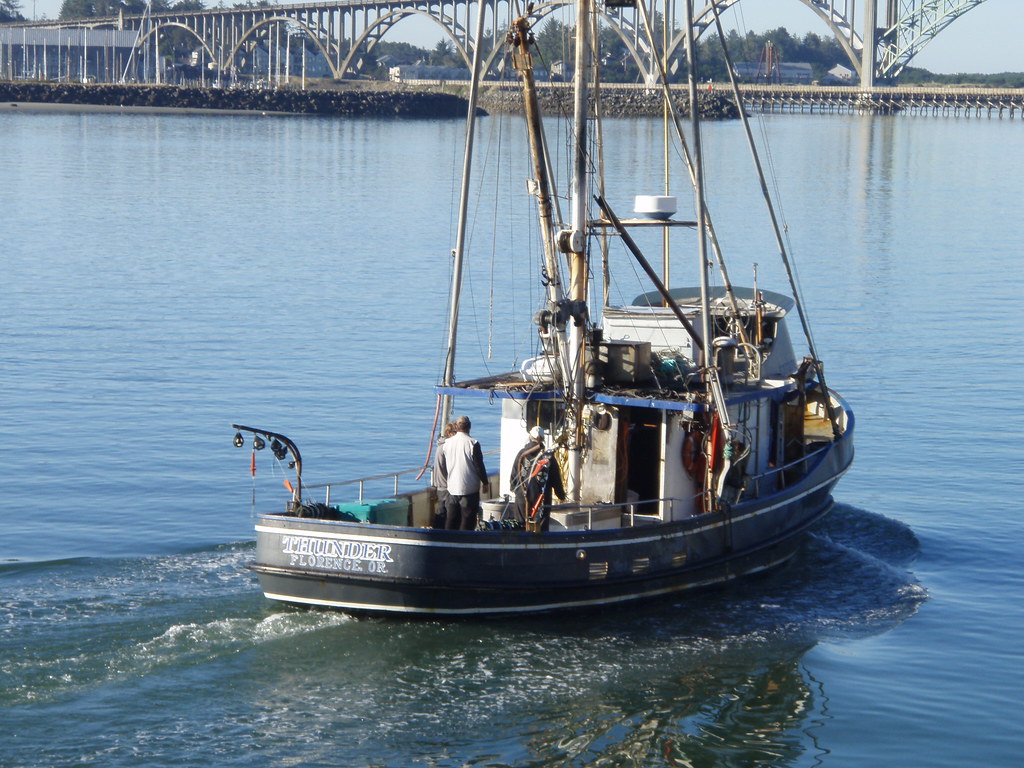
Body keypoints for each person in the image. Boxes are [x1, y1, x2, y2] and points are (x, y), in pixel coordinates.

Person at [438, 415, 490, 531]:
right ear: (469, 427)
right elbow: (479, 466)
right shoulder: (473, 443)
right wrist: (485, 483)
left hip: (452, 488)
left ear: (456, 427)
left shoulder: (447, 444)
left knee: (451, 520)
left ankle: (448, 541)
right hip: (469, 489)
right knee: (467, 520)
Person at [510, 426, 564, 531]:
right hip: (541, 501)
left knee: (521, 528)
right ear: (542, 439)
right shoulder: (548, 457)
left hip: (522, 498)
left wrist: (517, 491)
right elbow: (556, 480)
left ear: (530, 437)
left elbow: (513, 479)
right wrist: (561, 496)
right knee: (540, 531)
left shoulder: (521, 454)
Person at [431, 421, 456, 529]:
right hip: (446, 485)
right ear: (450, 433)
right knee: (445, 513)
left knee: (442, 511)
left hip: (442, 485)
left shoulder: (441, 446)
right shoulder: (447, 448)